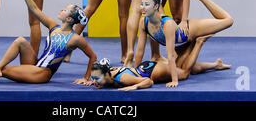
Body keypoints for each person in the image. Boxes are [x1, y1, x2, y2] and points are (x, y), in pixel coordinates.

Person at [134, 0, 233, 87]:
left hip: (190, 30)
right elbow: (140, 50)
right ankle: (216, 65)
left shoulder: (167, 24)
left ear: (156, 6)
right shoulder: (143, 22)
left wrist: (174, 80)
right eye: (142, 4)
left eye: (147, 4)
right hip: (180, 42)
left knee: (228, 21)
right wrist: (136, 73)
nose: (143, 8)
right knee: (189, 69)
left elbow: (171, 54)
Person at [87, 33, 230, 91]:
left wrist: (133, 87)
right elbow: (103, 77)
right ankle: (215, 65)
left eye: (97, 78)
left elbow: (148, 82)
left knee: (185, 73)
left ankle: (198, 43)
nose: (95, 81)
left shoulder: (124, 79)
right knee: (186, 68)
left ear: (106, 74)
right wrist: (94, 80)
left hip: (153, 72)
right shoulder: (109, 73)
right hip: (145, 66)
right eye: (95, 78)